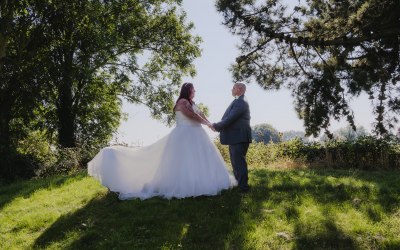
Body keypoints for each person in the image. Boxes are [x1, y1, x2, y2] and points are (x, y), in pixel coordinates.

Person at [88, 83, 237, 200]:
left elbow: (201, 114)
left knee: (198, 160)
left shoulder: (192, 102)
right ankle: (186, 187)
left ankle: (202, 183)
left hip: (197, 134)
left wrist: (210, 124)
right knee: (183, 161)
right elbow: (191, 116)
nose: (194, 92)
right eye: (193, 90)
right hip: (184, 134)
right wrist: (208, 124)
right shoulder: (182, 102)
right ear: (187, 90)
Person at [212, 83, 252, 192]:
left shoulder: (241, 102)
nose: (231, 89)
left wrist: (216, 126)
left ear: (239, 89)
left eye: (233, 88)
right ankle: (240, 185)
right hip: (236, 137)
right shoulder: (239, 101)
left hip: (239, 137)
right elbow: (230, 118)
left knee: (239, 163)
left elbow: (230, 118)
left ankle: (243, 188)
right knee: (235, 162)